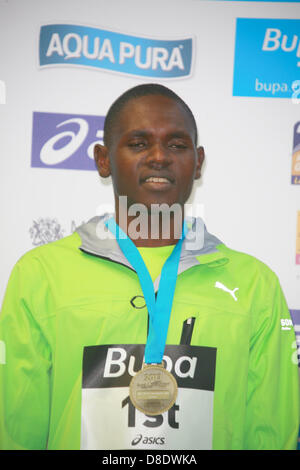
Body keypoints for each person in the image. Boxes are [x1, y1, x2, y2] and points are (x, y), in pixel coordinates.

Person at [0, 83, 299, 450]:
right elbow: (15, 432)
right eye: (139, 143)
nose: (159, 156)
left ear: (198, 161)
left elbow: (273, 435)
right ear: (103, 159)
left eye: (176, 144)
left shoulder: (255, 285)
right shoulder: (41, 275)